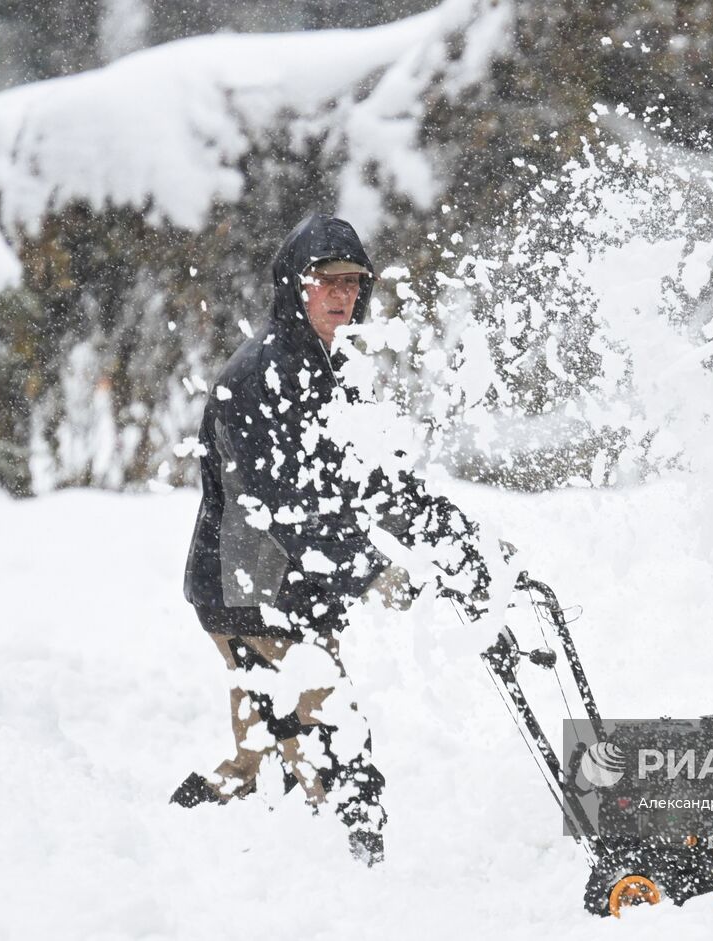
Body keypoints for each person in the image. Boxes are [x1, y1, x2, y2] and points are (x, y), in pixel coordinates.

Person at [173, 213, 491, 868]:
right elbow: (284, 511)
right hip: (249, 591)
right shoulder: (258, 377)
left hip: (287, 591)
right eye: (327, 281)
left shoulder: (333, 367)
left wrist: (446, 536)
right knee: (332, 740)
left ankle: (194, 826)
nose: (342, 295)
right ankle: (357, 873)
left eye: (352, 282)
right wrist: (382, 568)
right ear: (295, 285)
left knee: (264, 746)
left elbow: (378, 476)